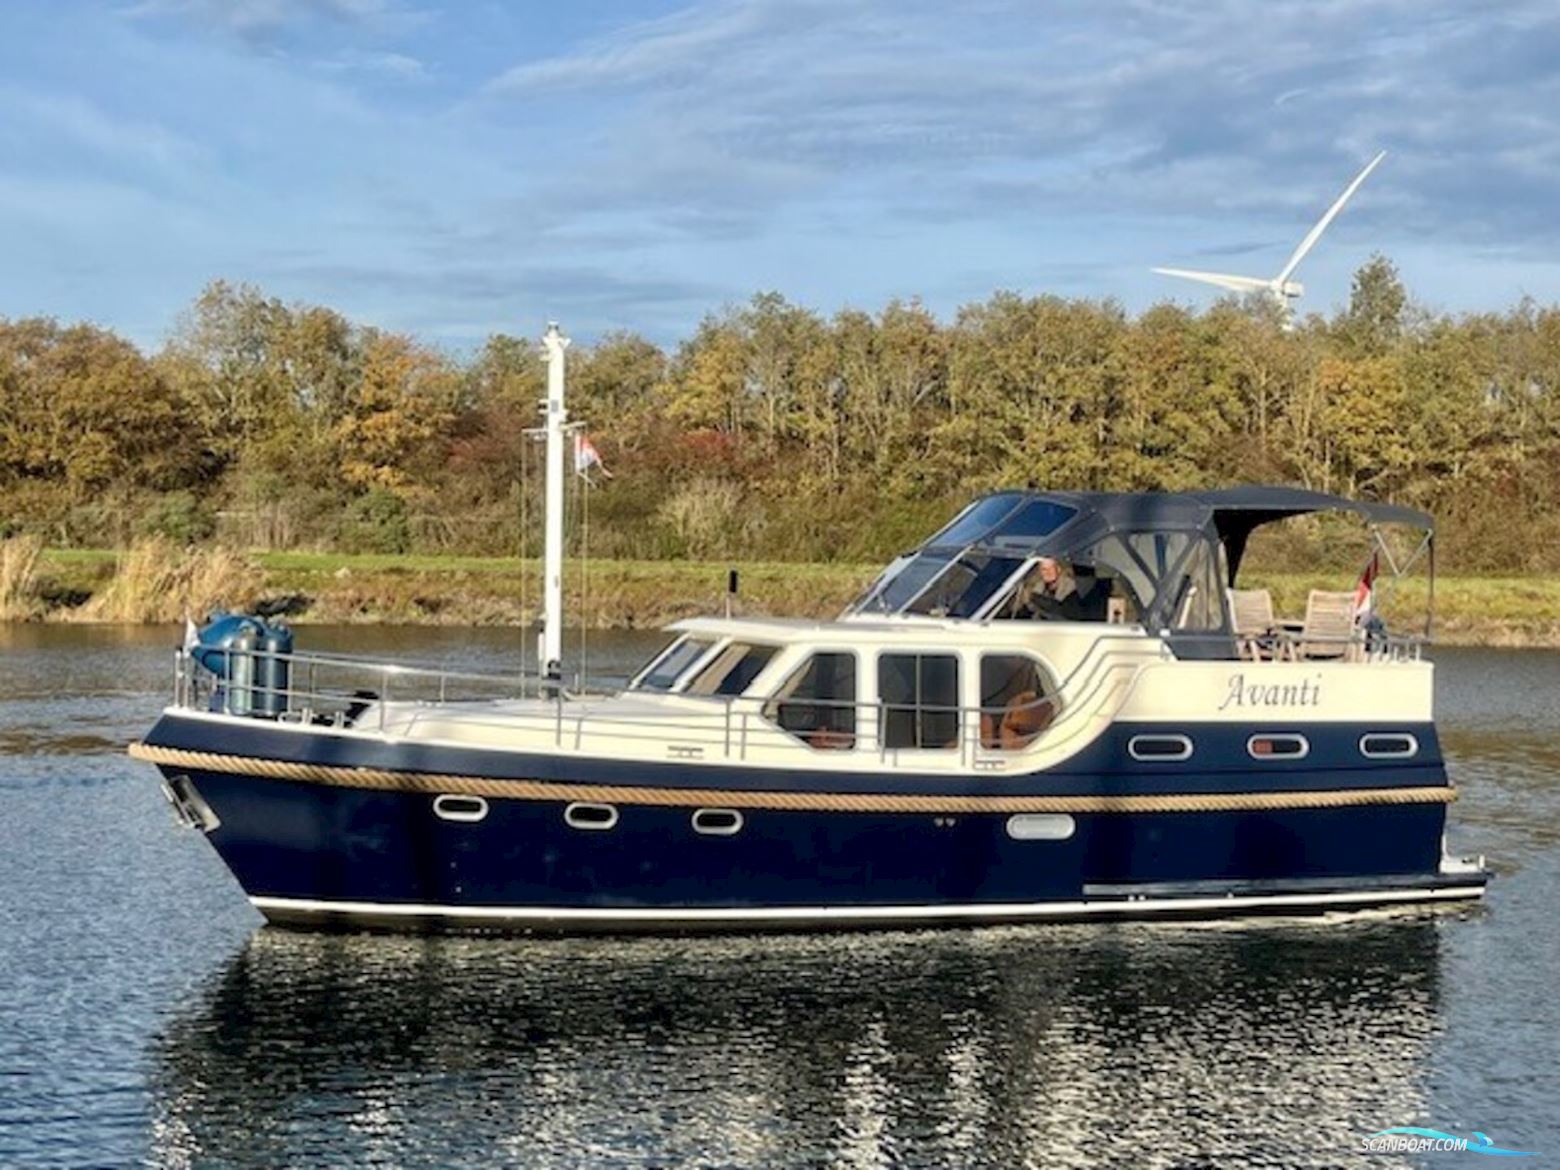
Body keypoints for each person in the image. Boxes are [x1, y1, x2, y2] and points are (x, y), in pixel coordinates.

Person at [1012, 557, 1094, 621]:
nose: (1048, 572)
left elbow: (1061, 610)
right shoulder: (1035, 588)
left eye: (1051, 568)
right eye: (1044, 569)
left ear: (1058, 569)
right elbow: (1020, 607)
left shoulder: (1071, 586)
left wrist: (1034, 598)